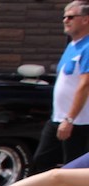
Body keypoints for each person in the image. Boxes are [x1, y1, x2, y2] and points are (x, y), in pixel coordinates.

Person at [31, 2, 89, 173]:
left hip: (77, 123)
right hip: (58, 119)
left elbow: (85, 85)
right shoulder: (72, 46)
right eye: (64, 16)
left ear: (86, 19)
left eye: (71, 17)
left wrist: (70, 119)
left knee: (72, 169)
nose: (65, 20)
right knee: (41, 161)